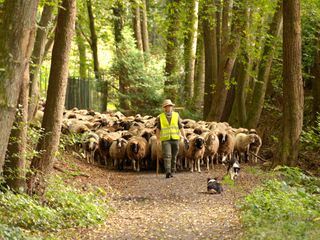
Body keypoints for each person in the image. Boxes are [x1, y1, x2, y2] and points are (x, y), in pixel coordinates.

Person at [156, 99, 187, 178]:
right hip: (166, 139)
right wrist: (158, 139)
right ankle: (168, 171)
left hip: (175, 139)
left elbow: (180, 126)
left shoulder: (176, 115)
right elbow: (158, 128)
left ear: (172, 107)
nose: (169, 108)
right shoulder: (161, 117)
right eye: (167, 106)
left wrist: (184, 136)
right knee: (167, 155)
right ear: (165, 108)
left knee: (174, 155)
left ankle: (173, 170)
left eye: (170, 106)